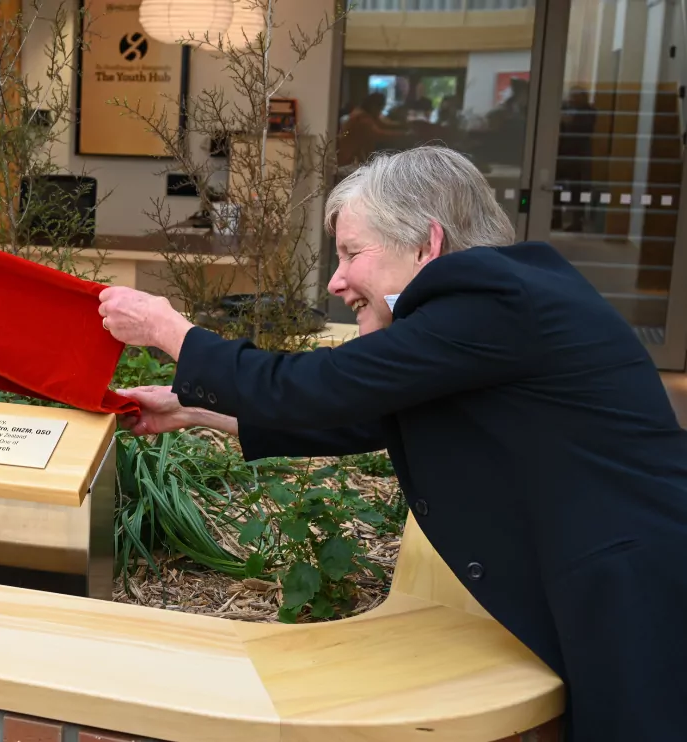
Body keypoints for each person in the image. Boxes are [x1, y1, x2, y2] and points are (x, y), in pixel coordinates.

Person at [96, 145, 687, 740]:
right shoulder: (487, 308)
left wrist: (172, 332)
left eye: (353, 252)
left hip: (636, 585)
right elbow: (360, 415)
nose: (336, 280)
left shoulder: (489, 299)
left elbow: (318, 388)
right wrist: (194, 408)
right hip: (622, 577)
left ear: (427, 245)